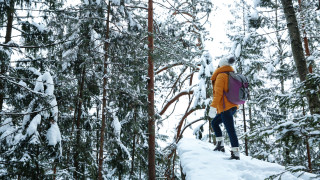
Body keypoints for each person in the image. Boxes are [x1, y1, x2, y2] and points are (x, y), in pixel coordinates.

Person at [210, 56, 240, 160]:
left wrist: (213, 107)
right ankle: (220, 145)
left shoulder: (221, 76)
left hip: (225, 108)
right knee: (214, 123)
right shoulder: (231, 74)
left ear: (221, 65)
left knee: (230, 130)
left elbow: (218, 94)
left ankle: (236, 154)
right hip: (233, 106)